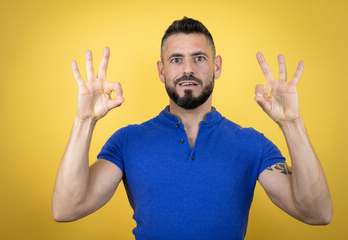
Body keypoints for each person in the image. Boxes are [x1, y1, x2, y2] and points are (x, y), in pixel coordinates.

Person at [52, 17, 333, 239]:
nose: (188, 69)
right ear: (162, 71)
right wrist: (84, 120)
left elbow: (317, 213)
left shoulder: (251, 144)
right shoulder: (128, 141)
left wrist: (292, 123)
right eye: (176, 60)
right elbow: (67, 209)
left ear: (217, 67)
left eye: (199, 58)